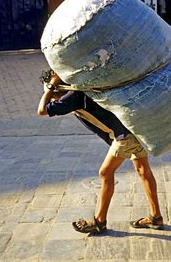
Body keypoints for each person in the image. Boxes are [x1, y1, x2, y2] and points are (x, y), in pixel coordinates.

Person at [37, 71, 163, 233]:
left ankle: (99, 221)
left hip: (124, 137)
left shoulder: (74, 96)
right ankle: (156, 217)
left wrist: (49, 88)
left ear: (57, 86)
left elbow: (42, 111)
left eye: (52, 94)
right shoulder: (79, 92)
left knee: (105, 173)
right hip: (131, 129)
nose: (53, 99)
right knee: (143, 171)